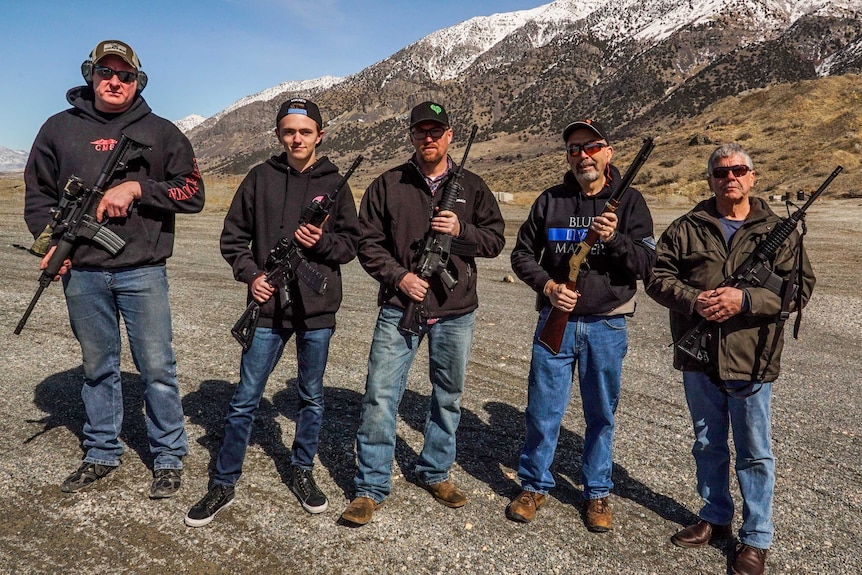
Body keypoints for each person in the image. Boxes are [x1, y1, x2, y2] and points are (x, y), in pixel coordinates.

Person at [23, 40, 205, 498]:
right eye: (106, 71)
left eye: (125, 75)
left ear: (137, 81)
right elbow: (38, 196)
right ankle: (102, 450)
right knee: (97, 366)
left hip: (142, 270)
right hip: (82, 272)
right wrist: (51, 244)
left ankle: (167, 456)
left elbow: (193, 192)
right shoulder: (57, 129)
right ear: (91, 74)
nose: (115, 81)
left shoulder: (161, 132)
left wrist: (137, 188)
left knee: (157, 367)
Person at [184, 98, 360, 527]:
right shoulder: (259, 178)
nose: (296, 139)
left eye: (304, 131)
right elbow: (233, 238)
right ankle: (223, 481)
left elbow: (351, 245)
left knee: (311, 397)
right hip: (266, 309)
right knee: (245, 399)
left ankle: (301, 471)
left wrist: (320, 243)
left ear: (320, 134)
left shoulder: (336, 184)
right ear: (279, 135)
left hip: (316, 312)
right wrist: (251, 276)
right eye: (288, 131)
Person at [646, 143, 815, 575]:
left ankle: (756, 538)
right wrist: (695, 301)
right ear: (711, 180)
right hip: (699, 354)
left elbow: (799, 290)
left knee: (755, 451)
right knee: (707, 443)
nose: (730, 178)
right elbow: (657, 277)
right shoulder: (687, 228)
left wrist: (746, 299)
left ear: (753, 177)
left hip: (751, 358)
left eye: (739, 170)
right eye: (721, 172)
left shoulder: (778, 231)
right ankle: (716, 516)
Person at [339, 101, 505, 526]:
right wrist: (400, 278)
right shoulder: (388, 183)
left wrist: (461, 231)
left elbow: (494, 240)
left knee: (447, 396)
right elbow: (367, 243)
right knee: (380, 394)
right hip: (400, 306)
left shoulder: (473, 186)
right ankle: (371, 487)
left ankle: (435, 472)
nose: (428, 138)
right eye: (420, 132)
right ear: (411, 136)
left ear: (450, 134)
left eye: (436, 131)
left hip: (455, 311)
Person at [508, 120, 655, 531]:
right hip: (556, 319)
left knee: (601, 414)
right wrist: (550, 286)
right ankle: (535, 484)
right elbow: (521, 256)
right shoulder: (550, 200)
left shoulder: (631, 203)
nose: (583, 156)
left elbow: (646, 265)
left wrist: (615, 240)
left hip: (607, 325)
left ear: (608, 152)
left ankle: (597, 492)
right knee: (543, 409)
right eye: (574, 149)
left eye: (591, 147)